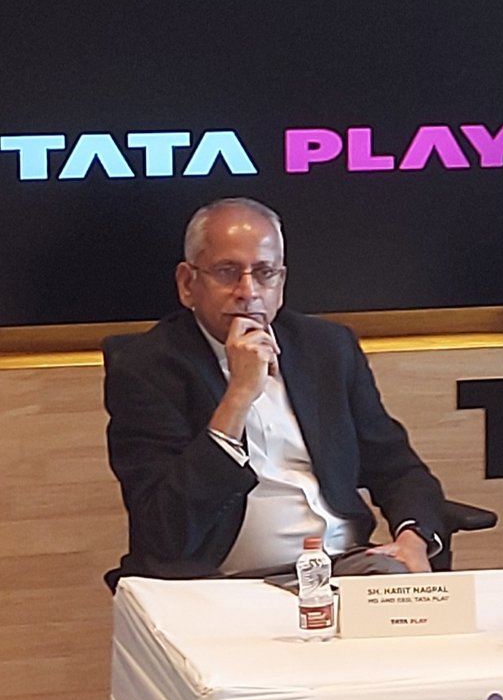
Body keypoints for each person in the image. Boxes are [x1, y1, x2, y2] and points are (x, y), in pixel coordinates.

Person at [104, 197, 446, 586]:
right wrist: (238, 396)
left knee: (404, 593)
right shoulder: (147, 368)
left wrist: (414, 537)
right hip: (220, 581)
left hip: (343, 565)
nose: (248, 291)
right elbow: (165, 529)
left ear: (280, 283)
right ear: (187, 284)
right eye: (227, 272)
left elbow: (397, 467)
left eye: (264, 273)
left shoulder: (327, 349)